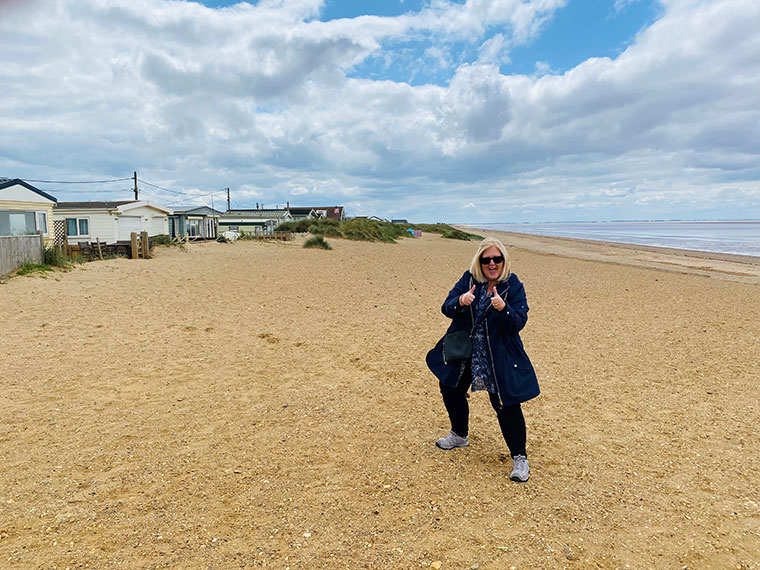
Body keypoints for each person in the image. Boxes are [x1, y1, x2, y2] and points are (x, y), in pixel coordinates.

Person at [426, 237, 540, 482]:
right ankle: (459, 435)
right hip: (467, 350)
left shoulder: (513, 285)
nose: (491, 264)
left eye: (496, 259)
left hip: (498, 354)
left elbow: (519, 321)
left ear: (504, 261)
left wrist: (504, 308)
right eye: (486, 259)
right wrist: (460, 301)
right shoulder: (469, 280)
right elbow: (446, 307)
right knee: (450, 387)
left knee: (505, 403)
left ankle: (520, 458)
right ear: (479, 261)